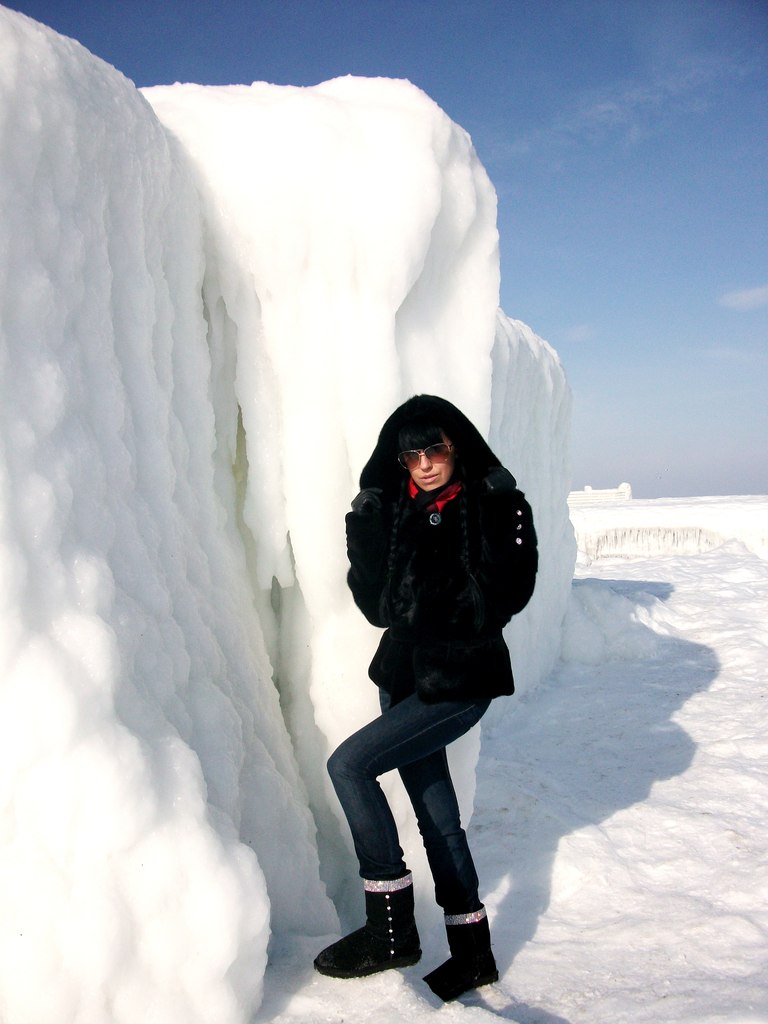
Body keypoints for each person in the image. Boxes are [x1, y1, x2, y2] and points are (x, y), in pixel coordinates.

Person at [313, 394, 538, 1001]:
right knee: (438, 818)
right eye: (411, 455)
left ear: (453, 448)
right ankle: (473, 953)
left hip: (461, 681)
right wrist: (365, 529)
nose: (424, 463)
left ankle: (390, 930)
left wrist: (501, 510)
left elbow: (511, 594)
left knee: (349, 766)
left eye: (433, 449)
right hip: (404, 679)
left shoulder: (488, 503)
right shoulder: (401, 516)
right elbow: (377, 607)